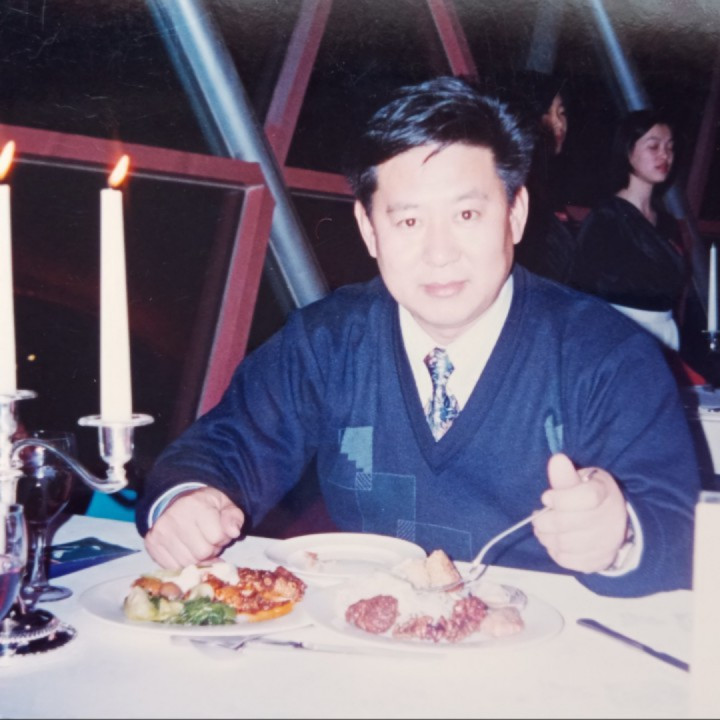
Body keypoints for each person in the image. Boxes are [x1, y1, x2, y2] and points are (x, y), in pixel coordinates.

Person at [136, 76, 699, 598]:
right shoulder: (328, 341)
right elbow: (224, 448)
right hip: (365, 642)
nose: (439, 253)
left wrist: (621, 537)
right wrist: (187, 500)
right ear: (369, 230)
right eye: (408, 221)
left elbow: (681, 531)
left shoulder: (603, 353)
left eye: (467, 215)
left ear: (515, 214)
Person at [567, 110, 690, 352]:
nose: (665, 155)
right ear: (627, 151)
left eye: (670, 147)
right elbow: (579, 290)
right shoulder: (606, 218)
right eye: (653, 146)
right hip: (618, 336)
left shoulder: (666, 222)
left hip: (665, 334)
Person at [507, 70, 579, 284]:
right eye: (547, 112)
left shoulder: (549, 183)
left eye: (562, 113)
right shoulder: (519, 185)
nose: (558, 123)